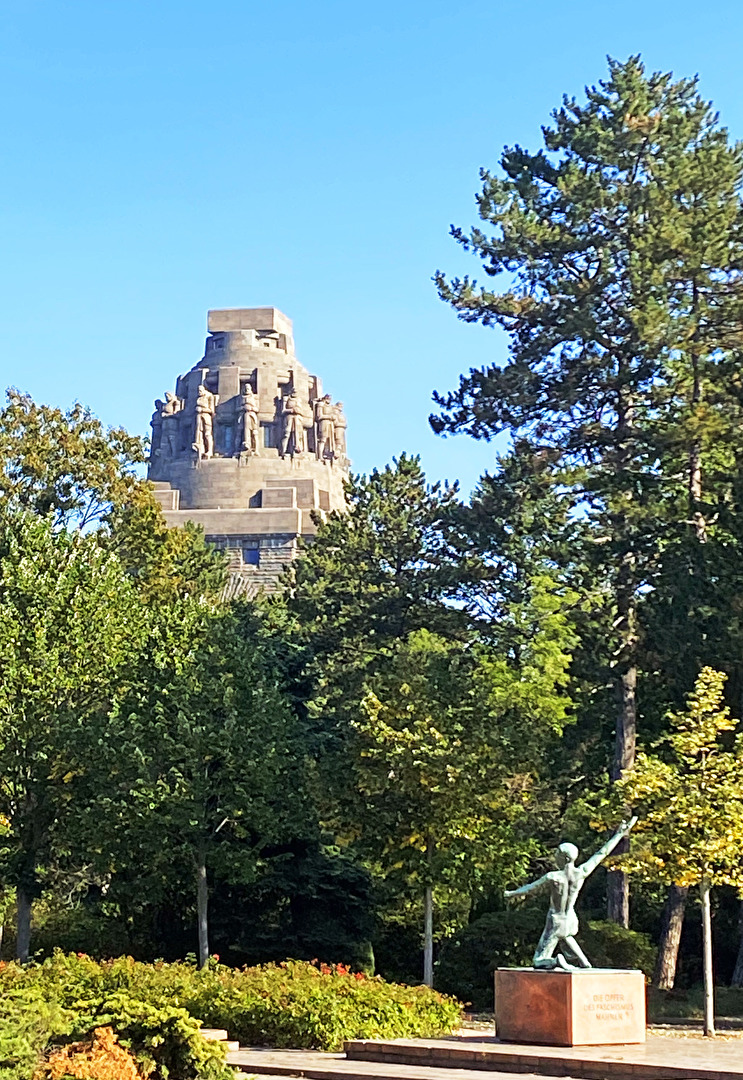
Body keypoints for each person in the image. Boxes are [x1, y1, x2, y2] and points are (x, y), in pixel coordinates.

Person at [505, 817, 638, 970]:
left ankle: (556, 961)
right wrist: (619, 834)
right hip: (570, 917)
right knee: (567, 936)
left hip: (556, 918)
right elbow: (602, 853)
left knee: (539, 960)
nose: (555, 856)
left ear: (563, 858)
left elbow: (530, 889)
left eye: (557, 854)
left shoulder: (554, 877)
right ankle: (584, 962)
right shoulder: (581, 872)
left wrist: (512, 893)